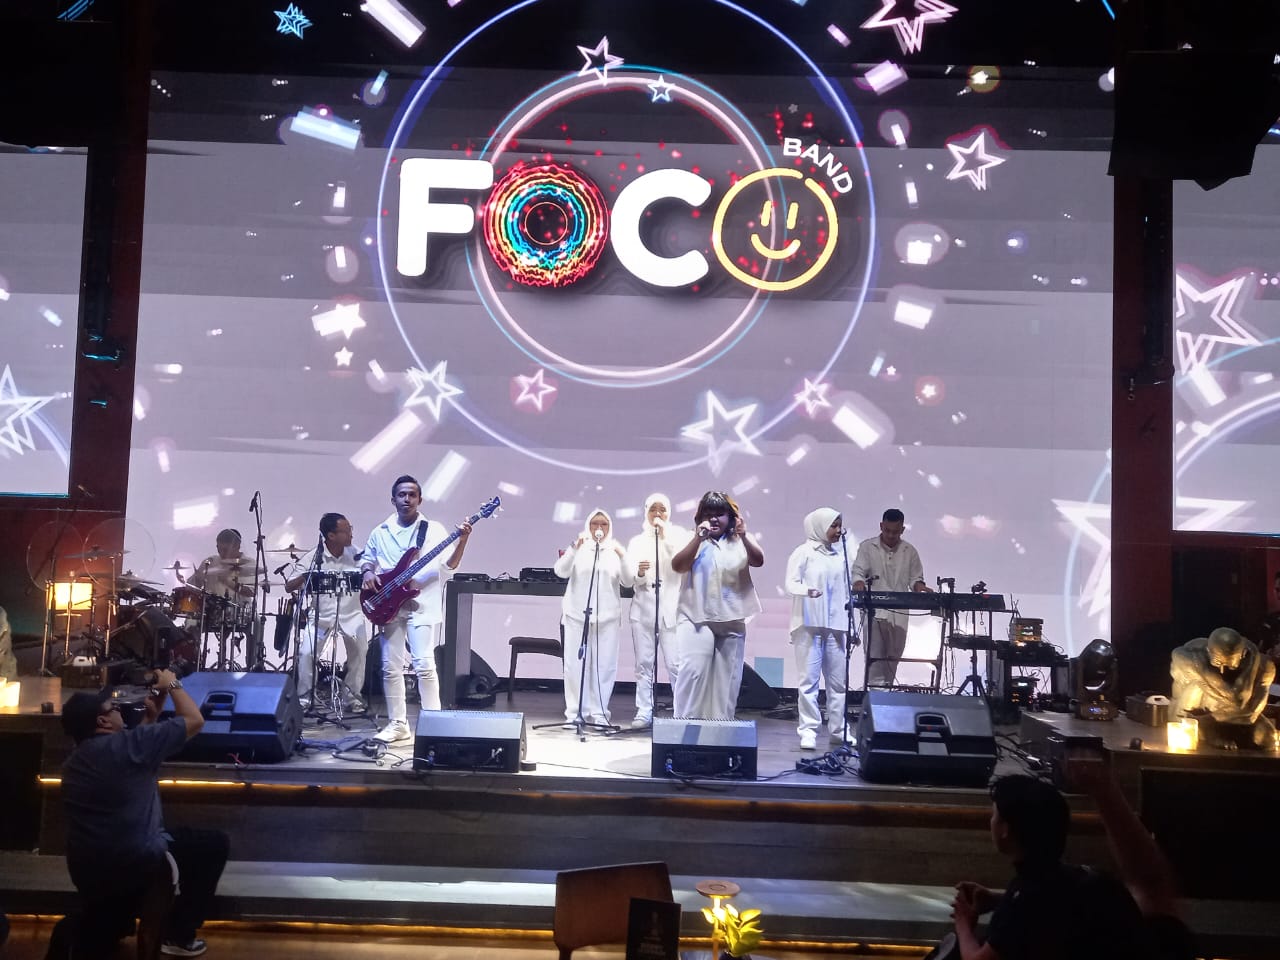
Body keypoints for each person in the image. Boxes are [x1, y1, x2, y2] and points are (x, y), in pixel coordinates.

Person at [49, 672, 230, 959]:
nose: (118, 710)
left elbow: (131, 758)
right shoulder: (131, 746)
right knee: (213, 844)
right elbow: (194, 720)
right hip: (137, 862)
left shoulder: (74, 763)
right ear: (103, 722)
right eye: (112, 708)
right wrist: (172, 683)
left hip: (88, 868)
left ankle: (111, 924)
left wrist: (151, 718)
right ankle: (179, 934)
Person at [950, 774, 1146, 960]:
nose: (990, 821)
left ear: (1005, 830)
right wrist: (997, 901)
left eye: (994, 815)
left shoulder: (1024, 899)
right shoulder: (1092, 879)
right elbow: (1052, 907)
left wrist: (963, 923)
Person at [360, 475, 472, 744]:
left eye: (412, 495)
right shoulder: (380, 531)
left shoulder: (433, 530)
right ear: (393, 500)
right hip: (388, 604)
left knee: (424, 664)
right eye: (402, 494)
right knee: (390, 667)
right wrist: (367, 572)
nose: (407, 499)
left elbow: (449, 566)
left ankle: (434, 723)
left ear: (420, 500)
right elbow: (367, 559)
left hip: (421, 604)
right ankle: (398, 724)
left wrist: (463, 540)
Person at [670, 491, 764, 720]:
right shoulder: (692, 538)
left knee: (727, 682)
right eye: (708, 514)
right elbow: (678, 566)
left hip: (732, 619)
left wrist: (744, 535)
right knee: (693, 671)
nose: (713, 519)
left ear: (731, 517)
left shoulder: (739, 540)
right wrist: (698, 539)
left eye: (719, 514)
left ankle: (720, 727)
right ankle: (684, 724)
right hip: (695, 617)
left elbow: (758, 560)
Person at [554, 509, 632, 728]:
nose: (599, 528)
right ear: (588, 526)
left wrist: (623, 556)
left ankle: (599, 713)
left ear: (609, 527)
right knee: (574, 666)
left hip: (607, 618)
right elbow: (560, 571)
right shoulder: (579, 548)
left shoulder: (614, 550)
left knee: (604, 666)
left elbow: (628, 581)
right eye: (594, 524)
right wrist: (573, 549)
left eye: (603, 524)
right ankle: (574, 713)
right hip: (577, 616)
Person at [284, 512, 367, 712]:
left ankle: (352, 697)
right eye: (346, 531)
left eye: (350, 529)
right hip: (321, 617)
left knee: (360, 651)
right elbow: (289, 586)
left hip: (351, 615)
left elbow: (373, 577)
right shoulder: (314, 557)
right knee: (306, 653)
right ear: (331, 535)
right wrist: (308, 575)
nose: (351, 534)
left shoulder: (359, 555)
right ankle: (305, 698)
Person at [784, 508, 851, 751]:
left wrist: (851, 625)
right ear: (820, 526)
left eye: (839, 526)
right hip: (809, 623)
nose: (838, 531)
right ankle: (809, 730)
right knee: (809, 682)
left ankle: (839, 730)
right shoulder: (803, 552)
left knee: (838, 683)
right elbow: (790, 583)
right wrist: (807, 591)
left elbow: (847, 590)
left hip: (836, 625)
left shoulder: (841, 555)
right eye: (833, 526)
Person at [624, 494, 686, 729]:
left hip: (671, 611)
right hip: (643, 611)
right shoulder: (637, 542)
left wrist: (666, 536)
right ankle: (644, 710)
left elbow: (682, 565)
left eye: (662, 509)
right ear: (646, 512)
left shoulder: (678, 536)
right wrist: (639, 573)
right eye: (653, 509)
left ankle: (682, 711)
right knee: (643, 665)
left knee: (676, 664)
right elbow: (629, 579)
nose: (657, 514)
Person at [850, 508, 930, 689]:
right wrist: (858, 583)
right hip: (874, 611)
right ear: (881, 526)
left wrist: (919, 587)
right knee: (875, 657)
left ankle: (887, 695)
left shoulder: (910, 551)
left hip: (899, 613)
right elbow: (858, 572)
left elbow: (915, 579)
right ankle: (876, 697)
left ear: (903, 530)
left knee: (894, 657)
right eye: (887, 531)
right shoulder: (867, 547)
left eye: (896, 532)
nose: (891, 535)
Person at [1169, 626, 1276, 749]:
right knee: (1197, 684)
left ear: (1243, 654)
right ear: (1208, 651)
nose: (1221, 671)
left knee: (1268, 738)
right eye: (1217, 663)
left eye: (1230, 665)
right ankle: (1208, 732)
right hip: (1194, 714)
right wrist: (1233, 710)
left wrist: (1252, 663)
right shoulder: (1190, 656)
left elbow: (1251, 714)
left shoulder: (1264, 666)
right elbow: (1236, 700)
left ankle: (1210, 728)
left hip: (1233, 720)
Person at [185, 529, 256, 602]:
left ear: (237, 546)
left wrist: (229, 583)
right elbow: (190, 586)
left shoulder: (249, 564)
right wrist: (196, 580)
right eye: (219, 550)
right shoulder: (211, 562)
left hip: (237, 608)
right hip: (210, 607)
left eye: (225, 550)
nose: (221, 553)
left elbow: (252, 592)